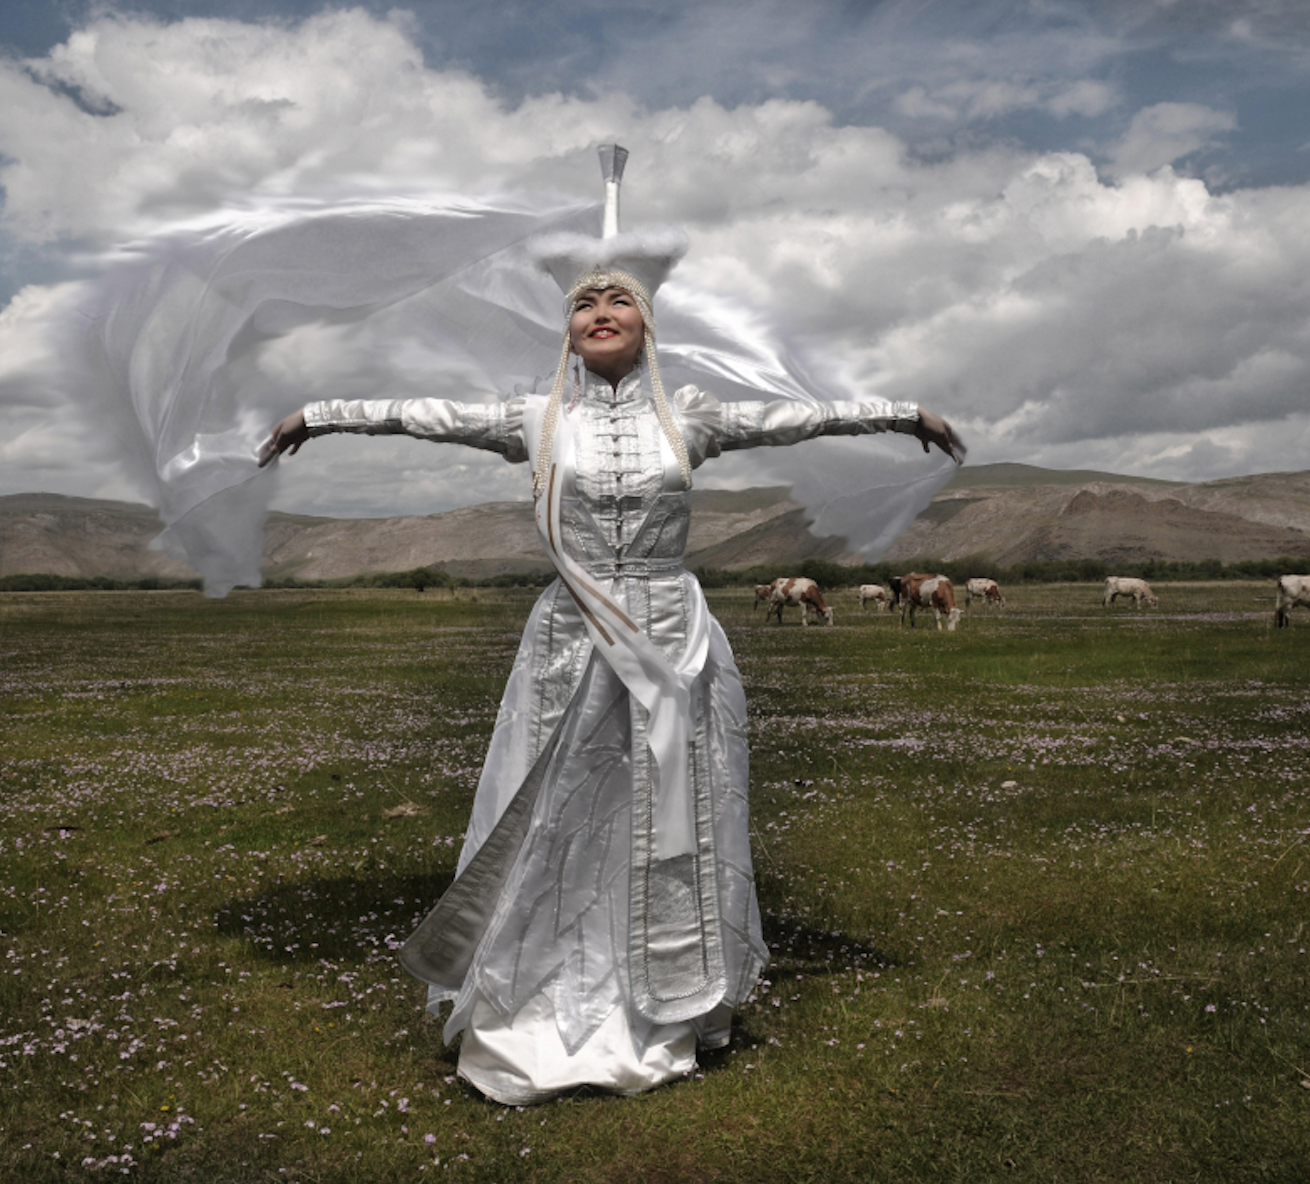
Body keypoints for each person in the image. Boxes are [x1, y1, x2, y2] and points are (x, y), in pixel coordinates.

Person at [260, 151, 962, 1105]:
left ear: (645, 324)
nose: (599, 312)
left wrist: (898, 411)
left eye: (618, 303)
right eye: (583, 304)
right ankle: (540, 993)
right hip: (571, 639)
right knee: (558, 807)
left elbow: (800, 418)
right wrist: (319, 415)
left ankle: (668, 1000)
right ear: (567, 330)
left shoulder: (693, 419)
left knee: (672, 810)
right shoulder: (535, 418)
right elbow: (414, 413)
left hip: (674, 636)